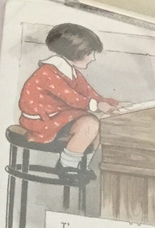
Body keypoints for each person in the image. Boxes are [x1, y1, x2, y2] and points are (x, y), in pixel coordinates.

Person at [17, 23, 126, 176]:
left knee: (100, 126)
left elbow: (89, 94)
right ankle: (67, 167)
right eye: (90, 53)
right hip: (42, 121)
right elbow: (73, 99)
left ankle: (81, 166)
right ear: (75, 52)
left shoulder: (71, 72)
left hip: (59, 117)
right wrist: (99, 106)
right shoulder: (49, 72)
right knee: (90, 124)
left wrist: (113, 103)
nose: (93, 58)